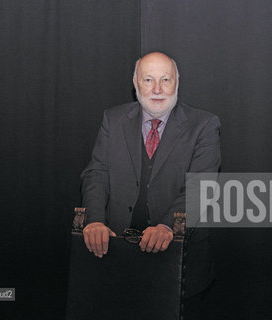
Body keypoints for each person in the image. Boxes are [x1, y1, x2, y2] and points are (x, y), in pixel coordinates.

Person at [80, 51, 221, 318]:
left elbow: (202, 187)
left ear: (177, 82)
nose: (157, 89)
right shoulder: (113, 119)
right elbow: (97, 172)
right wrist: (95, 220)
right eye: (148, 80)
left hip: (182, 266)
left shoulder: (204, 125)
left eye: (165, 79)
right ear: (135, 83)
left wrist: (168, 226)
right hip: (118, 258)